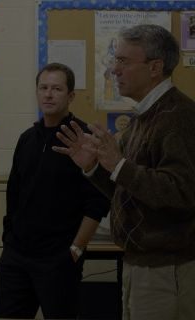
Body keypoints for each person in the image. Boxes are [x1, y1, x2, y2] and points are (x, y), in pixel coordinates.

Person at [54, 24, 195, 319]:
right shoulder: (145, 116)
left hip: (167, 272)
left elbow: (181, 191)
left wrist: (119, 165)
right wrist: (94, 168)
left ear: (155, 67)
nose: (113, 70)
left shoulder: (178, 117)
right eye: (114, 60)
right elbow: (130, 190)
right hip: (142, 265)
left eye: (123, 61)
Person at [0, 63, 110, 319]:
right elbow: (14, 195)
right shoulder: (27, 139)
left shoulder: (84, 138)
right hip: (17, 256)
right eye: (43, 88)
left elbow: (98, 201)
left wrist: (76, 249)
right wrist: (9, 241)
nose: (48, 94)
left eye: (56, 89)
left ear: (70, 96)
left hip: (59, 258)